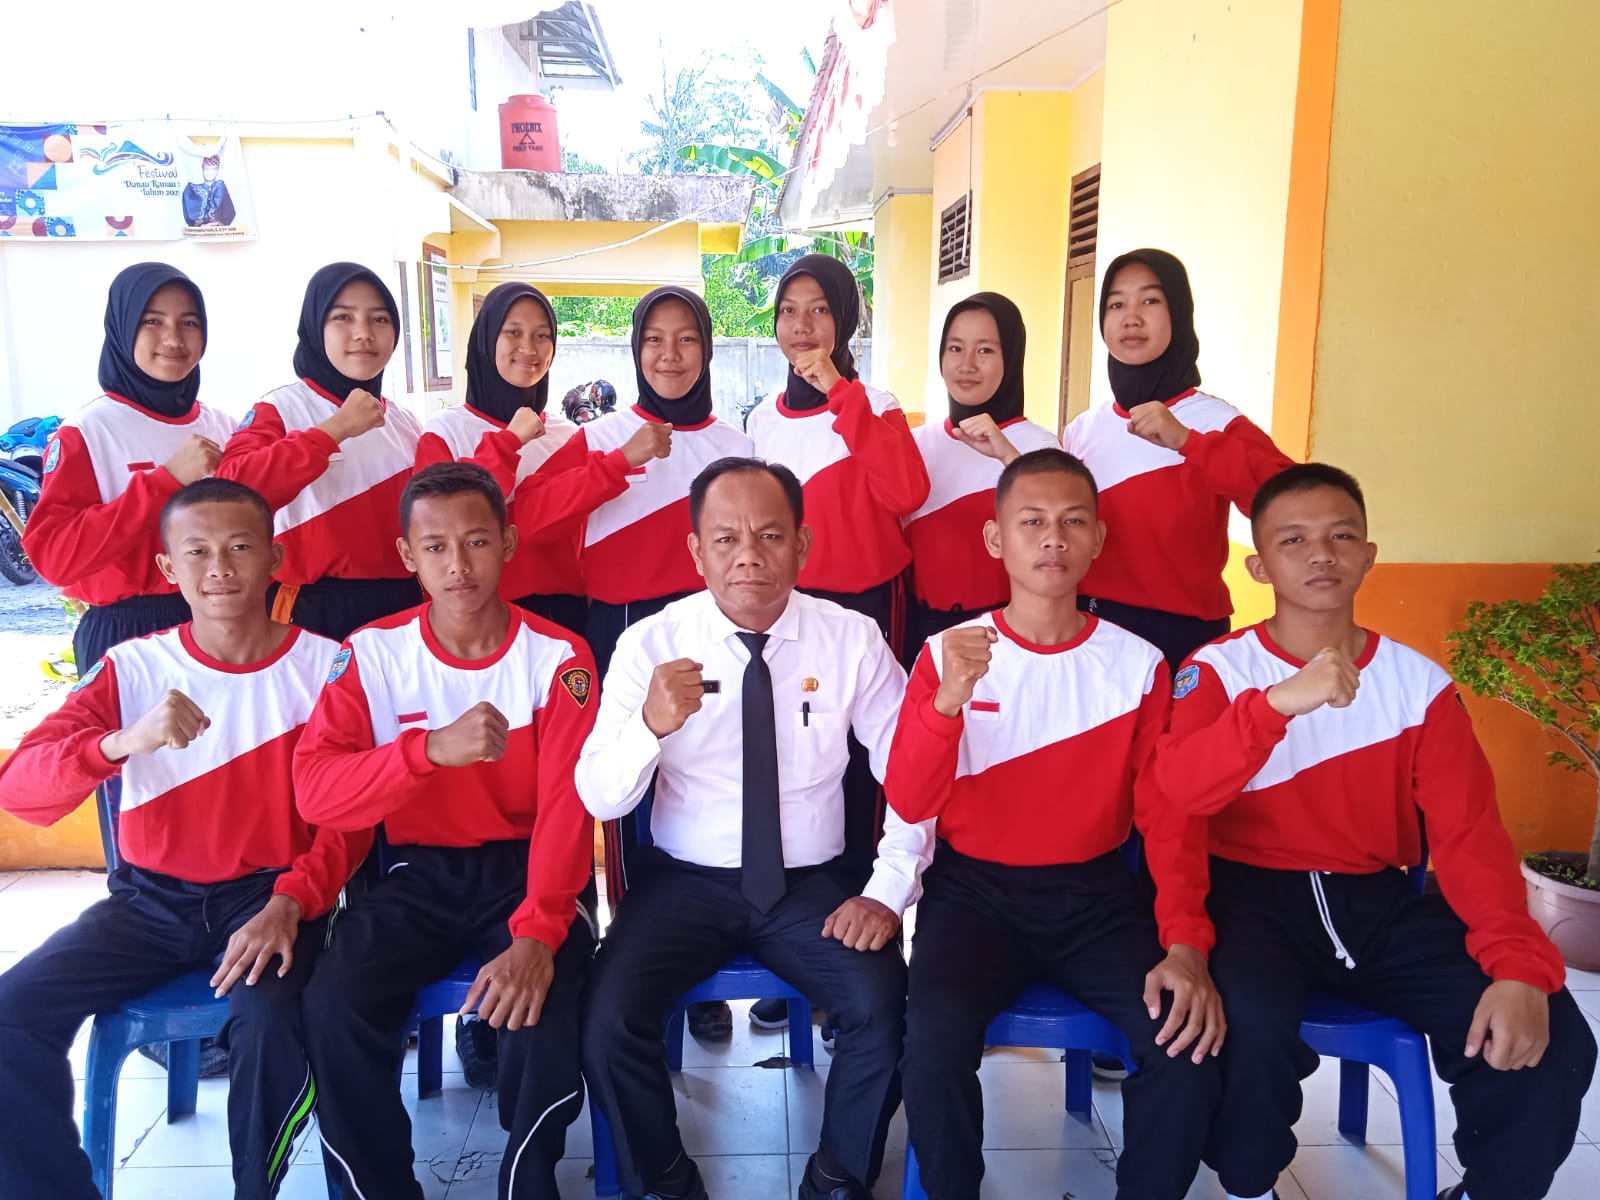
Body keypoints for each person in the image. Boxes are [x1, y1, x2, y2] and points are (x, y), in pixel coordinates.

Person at [1152, 463, 1597, 1200]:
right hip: (1249, 900)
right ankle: (1249, 1186)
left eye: (1341, 536)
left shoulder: (1418, 686)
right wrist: (1276, 705)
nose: (1320, 554)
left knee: (1551, 1032)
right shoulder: (1218, 669)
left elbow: (1470, 839)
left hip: (1380, 903)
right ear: (1260, 566)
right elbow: (1179, 792)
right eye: (1294, 540)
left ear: (1368, 556)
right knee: (1244, 1024)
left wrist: (1518, 966)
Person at [577, 457, 935, 1200]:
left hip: (813, 887)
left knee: (884, 1009)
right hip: (684, 884)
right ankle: (665, 1178)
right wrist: (649, 726)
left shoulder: (852, 639)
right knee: (606, 1018)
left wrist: (887, 888)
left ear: (802, 545)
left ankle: (836, 1176)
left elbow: (915, 771)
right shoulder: (651, 644)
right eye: (726, 538)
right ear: (696, 551)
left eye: (770, 535)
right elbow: (599, 796)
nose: (748, 555)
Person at [0, 478, 364, 1200]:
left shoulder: (330, 666)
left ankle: (254, 1189)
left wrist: (291, 902)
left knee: (270, 1022)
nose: (219, 568)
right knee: (12, 1015)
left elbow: (351, 818)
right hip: (148, 906)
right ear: (168, 567)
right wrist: (119, 742)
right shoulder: (133, 668)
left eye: (240, 547)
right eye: (196, 551)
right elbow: (20, 791)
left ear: (275, 559)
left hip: (271, 899)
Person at [886, 448, 1222, 1200]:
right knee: (931, 1045)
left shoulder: (1138, 664)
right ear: (995, 538)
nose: (1052, 539)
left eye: (1073, 522)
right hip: (972, 897)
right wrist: (947, 704)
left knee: (1183, 1044)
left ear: (1098, 539)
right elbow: (908, 798)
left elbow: (1168, 818)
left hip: (1097, 900)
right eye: (1031, 521)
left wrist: (1185, 943)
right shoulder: (947, 654)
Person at [293, 462, 599, 1200]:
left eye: (476, 542)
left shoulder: (559, 656)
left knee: (545, 1001)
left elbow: (568, 808)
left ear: (508, 543)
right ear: (408, 556)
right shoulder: (371, 653)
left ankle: (529, 1182)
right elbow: (317, 791)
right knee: (334, 1003)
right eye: (435, 547)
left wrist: (538, 934)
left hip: (530, 872)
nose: (457, 565)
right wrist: (425, 751)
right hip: (414, 876)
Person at [743, 256, 928, 1031]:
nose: (803, 325)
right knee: (793, 764)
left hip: (867, 606)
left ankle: (860, 946)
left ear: (845, 320)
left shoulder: (874, 403)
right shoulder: (759, 419)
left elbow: (907, 492)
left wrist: (840, 394)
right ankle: (797, 947)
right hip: (788, 615)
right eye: (790, 310)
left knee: (864, 772)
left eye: (820, 309)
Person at [25, 262, 237, 869]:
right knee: (141, 805)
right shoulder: (89, 431)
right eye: (153, 322)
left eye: (189, 323)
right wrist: (164, 482)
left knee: (226, 792)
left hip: (219, 625)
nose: (173, 338)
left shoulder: (220, 426)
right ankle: (139, 911)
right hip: (128, 630)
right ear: (122, 329)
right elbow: (56, 556)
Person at [1062, 248, 1292, 671]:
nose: (1131, 318)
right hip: (1090, 626)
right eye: (1116, 304)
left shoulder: (1215, 421)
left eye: (1150, 300)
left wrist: (1188, 442)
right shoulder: (1082, 429)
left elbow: (1292, 502)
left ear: (1180, 314)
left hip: (1183, 634)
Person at [218, 262, 423, 642]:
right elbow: (229, 492)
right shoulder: (280, 409)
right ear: (315, 327)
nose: (364, 333)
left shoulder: (405, 421)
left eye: (379, 319)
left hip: (404, 605)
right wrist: (334, 431)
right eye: (343, 317)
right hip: (310, 610)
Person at [415, 281, 588, 636]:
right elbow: (444, 521)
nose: (529, 348)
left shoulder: (567, 434)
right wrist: (510, 441)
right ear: (487, 339)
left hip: (565, 619)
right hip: (476, 620)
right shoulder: (446, 432)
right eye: (513, 332)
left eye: (542, 335)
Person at [902, 292, 1063, 665]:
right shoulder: (916, 443)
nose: (967, 365)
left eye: (985, 350)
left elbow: (1056, 536)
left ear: (1012, 357)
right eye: (955, 349)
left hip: (1009, 638)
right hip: (923, 633)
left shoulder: (1039, 446)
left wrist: (1008, 455)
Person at [182, 154, 236, 227]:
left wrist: (217, 224)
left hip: (218, 231)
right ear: (203, 169)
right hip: (198, 231)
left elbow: (229, 212)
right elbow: (189, 215)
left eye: (214, 169)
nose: (210, 173)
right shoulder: (191, 189)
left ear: (218, 170)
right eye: (207, 169)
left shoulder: (221, 187)